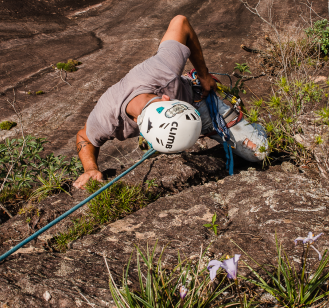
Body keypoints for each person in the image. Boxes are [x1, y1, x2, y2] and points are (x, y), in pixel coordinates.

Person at [73, 14, 269, 189]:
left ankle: (263, 128)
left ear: (166, 98)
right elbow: (85, 137)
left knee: (259, 152)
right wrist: (90, 168)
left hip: (197, 103)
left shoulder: (162, 69)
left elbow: (180, 21)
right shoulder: (108, 117)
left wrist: (203, 75)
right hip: (171, 129)